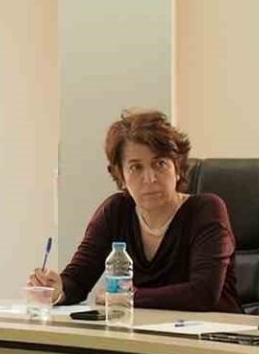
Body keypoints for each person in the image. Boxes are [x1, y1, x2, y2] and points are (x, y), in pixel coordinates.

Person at [28, 110, 239, 312]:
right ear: (121, 177)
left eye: (160, 164)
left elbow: (203, 294)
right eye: (136, 167)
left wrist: (127, 298)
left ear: (177, 168)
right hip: (142, 330)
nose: (150, 179)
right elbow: (77, 281)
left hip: (216, 332)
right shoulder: (116, 212)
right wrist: (57, 290)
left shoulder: (206, 210)